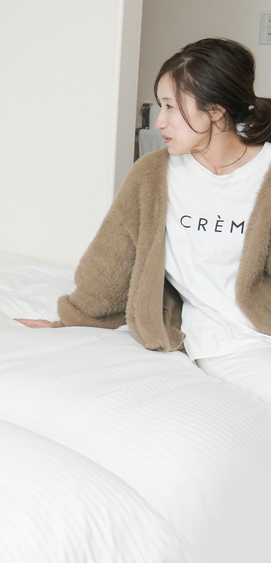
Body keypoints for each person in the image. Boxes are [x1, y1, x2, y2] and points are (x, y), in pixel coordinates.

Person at [17, 38, 271, 403]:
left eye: (170, 106)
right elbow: (111, 260)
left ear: (215, 110)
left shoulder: (265, 172)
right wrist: (69, 322)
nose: (160, 121)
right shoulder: (153, 175)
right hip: (229, 343)